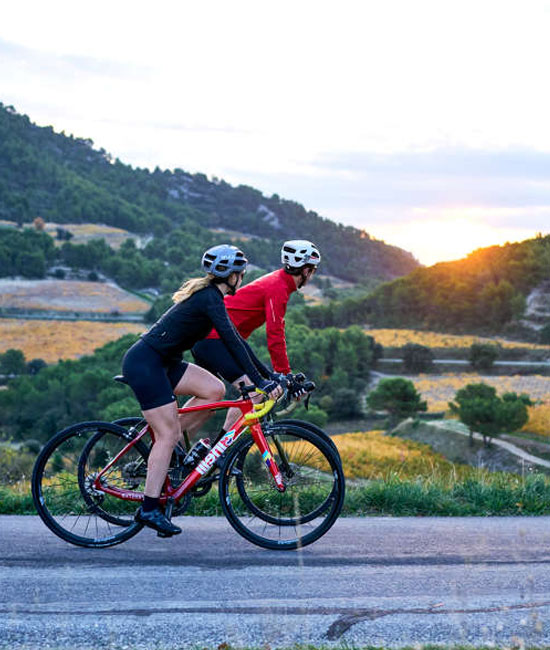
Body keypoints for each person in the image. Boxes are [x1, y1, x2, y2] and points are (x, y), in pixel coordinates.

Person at [121, 244, 281, 537]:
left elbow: (238, 342)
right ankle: (149, 507)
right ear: (230, 276)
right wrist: (260, 383)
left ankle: (172, 454)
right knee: (167, 434)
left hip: (165, 362)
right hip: (146, 364)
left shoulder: (211, 297)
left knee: (214, 389)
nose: (242, 278)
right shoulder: (209, 298)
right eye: (241, 274)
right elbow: (233, 342)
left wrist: (269, 376)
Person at [192, 239, 321, 433]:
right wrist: (284, 373)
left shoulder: (277, 281)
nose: (312, 275)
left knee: (209, 397)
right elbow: (275, 335)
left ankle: (177, 445)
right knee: (256, 392)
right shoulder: (278, 287)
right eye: (313, 270)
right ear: (305, 270)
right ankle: (220, 450)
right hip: (215, 338)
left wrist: (280, 375)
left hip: (212, 338)